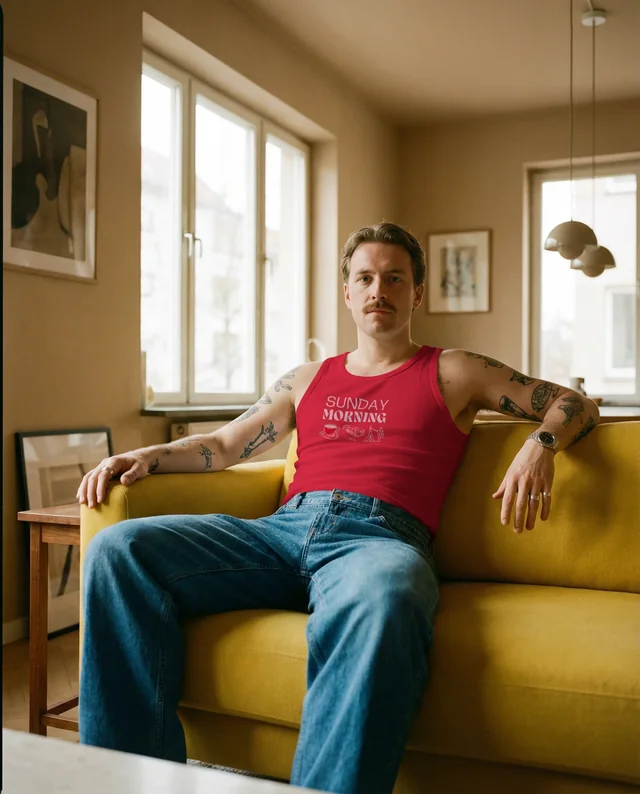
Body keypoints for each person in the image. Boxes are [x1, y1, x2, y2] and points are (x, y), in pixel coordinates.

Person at [77, 222, 599, 794]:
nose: (380, 289)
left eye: (395, 277)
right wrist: (150, 453)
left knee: (388, 593)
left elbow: (571, 401)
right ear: (347, 292)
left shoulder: (452, 370)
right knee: (118, 549)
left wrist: (539, 444)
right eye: (366, 277)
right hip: (281, 532)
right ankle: (121, 781)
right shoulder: (307, 379)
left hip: (378, 541)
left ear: (416, 293)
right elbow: (226, 445)